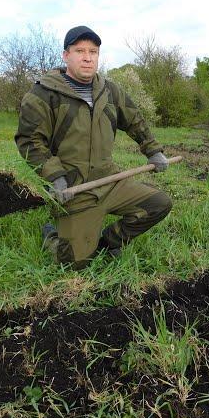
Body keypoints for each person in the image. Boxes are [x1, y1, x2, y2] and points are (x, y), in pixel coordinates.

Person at [15, 25, 172, 268]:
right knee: (73, 264)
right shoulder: (43, 94)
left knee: (158, 204)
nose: (88, 57)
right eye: (80, 51)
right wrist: (55, 177)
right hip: (75, 189)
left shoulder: (109, 90)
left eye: (93, 52)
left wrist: (153, 150)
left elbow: (134, 119)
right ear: (66, 55)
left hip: (109, 181)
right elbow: (30, 141)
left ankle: (109, 243)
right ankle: (51, 235)